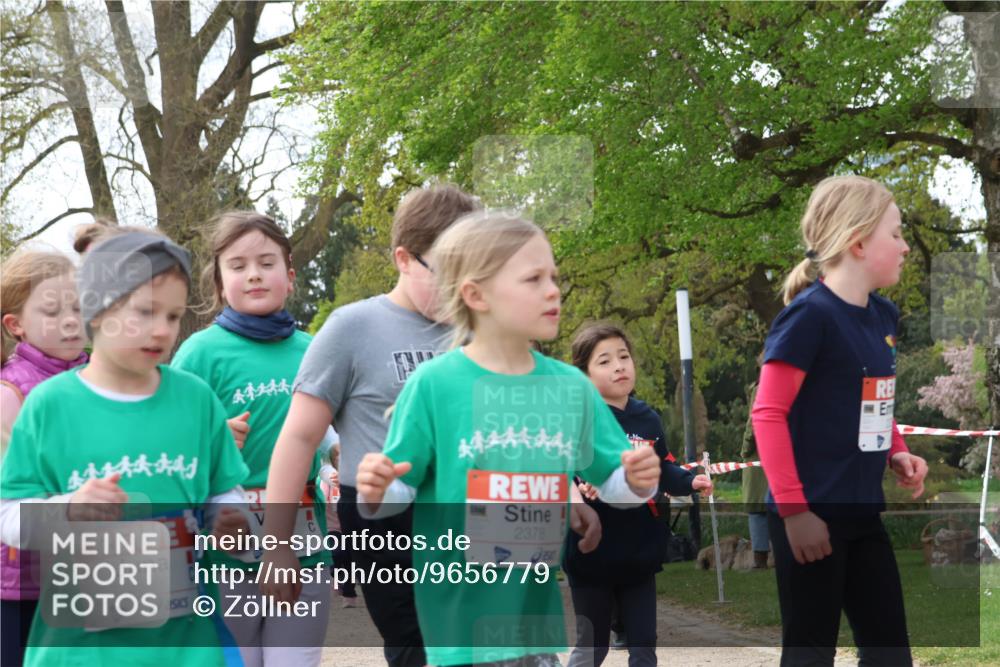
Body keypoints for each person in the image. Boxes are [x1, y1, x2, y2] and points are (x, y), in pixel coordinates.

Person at [355, 211, 662, 667]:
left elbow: (612, 482)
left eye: (553, 276)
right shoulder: (434, 384)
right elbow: (396, 492)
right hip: (458, 628)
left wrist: (636, 481)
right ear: (476, 294)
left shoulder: (571, 388)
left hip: (532, 625)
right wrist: (377, 488)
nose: (554, 290)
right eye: (533, 279)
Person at [0, 231, 250, 666]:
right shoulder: (48, 405)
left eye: (173, 316)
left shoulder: (196, 400)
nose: (162, 330)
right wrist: (69, 509)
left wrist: (231, 519)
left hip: (185, 645)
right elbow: (8, 516)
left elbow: (222, 492)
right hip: (80, 650)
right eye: (145, 312)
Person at [261, 185, 480, 667]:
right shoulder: (351, 328)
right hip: (385, 519)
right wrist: (277, 544)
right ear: (404, 258)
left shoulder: (478, 332)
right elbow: (298, 437)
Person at [751, 175, 929, 666]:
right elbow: (768, 414)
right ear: (857, 242)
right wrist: (795, 513)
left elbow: (875, 395)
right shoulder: (808, 316)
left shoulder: (883, 316)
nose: (906, 247)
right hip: (809, 515)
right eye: (895, 234)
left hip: (862, 513)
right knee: (810, 655)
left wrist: (896, 450)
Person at [172, 211, 331, 667]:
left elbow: (338, 433)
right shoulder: (199, 353)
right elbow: (165, 446)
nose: (255, 274)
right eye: (238, 266)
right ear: (220, 284)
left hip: (302, 540)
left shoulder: (316, 350)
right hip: (223, 546)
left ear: (290, 276)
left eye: (267, 262)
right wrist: (211, 442)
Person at [563, 323, 712, 667]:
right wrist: (581, 486)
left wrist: (690, 482)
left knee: (644, 648)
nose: (618, 366)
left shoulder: (649, 419)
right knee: (592, 649)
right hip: (591, 555)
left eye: (624, 356)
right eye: (604, 361)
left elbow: (663, 470)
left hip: (640, 553)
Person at [0, 250, 88, 666]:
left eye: (79, 305)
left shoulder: (106, 380)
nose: (71, 319)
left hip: (100, 574)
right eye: (52, 311)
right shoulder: (10, 394)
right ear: (15, 325)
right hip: (24, 585)